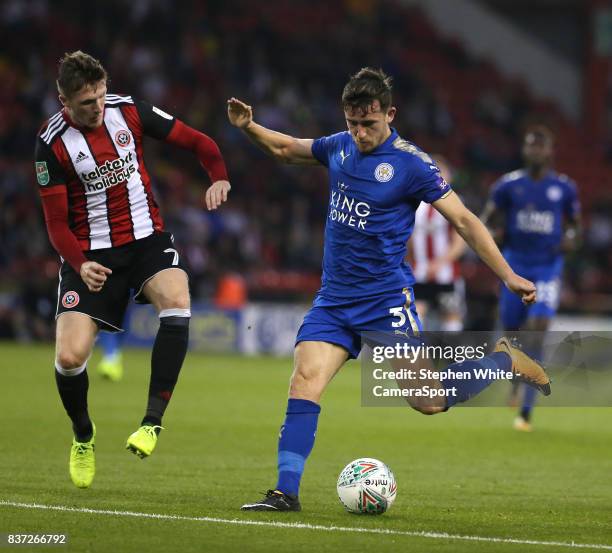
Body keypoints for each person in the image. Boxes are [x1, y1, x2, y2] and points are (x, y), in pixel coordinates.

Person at [227, 67, 550, 512]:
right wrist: (249, 127)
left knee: (428, 401)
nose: (359, 133)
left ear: (390, 114)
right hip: (335, 300)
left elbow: (465, 220)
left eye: (369, 124)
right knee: (304, 382)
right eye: (352, 123)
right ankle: (285, 492)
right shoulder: (338, 147)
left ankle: (505, 359)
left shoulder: (411, 163)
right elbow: (285, 149)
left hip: (384, 301)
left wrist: (508, 275)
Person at [35, 51, 231, 488]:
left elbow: (202, 143)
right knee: (69, 358)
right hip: (92, 258)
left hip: (146, 241)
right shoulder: (51, 144)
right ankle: (83, 435)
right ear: (64, 101)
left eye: (100, 96)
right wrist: (80, 263)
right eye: (86, 103)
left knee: (178, 299)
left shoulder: (130, 111)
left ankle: (151, 423)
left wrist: (218, 176)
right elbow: (54, 224)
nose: (97, 108)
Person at [481, 126, 580, 431]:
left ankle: (525, 410)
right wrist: (495, 234)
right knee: (512, 332)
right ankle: (516, 378)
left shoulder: (564, 188)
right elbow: (485, 220)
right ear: (524, 150)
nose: (535, 151)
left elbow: (575, 226)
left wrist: (570, 239)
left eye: (540, 147)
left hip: (548, 268)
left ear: (550, 151)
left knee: (537, 328)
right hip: (515, 267)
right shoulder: (508, 185)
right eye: (530, 146)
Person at [409, 155, 466, 331]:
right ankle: (416, 357)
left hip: (446, 273)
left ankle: (452, 357)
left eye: (441, 172)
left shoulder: (455, 202)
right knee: (415, 314)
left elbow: (460, 241)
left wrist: (440, 263)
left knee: (451, 315)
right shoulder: (413, 202)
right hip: (418, 272)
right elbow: (407, 237)